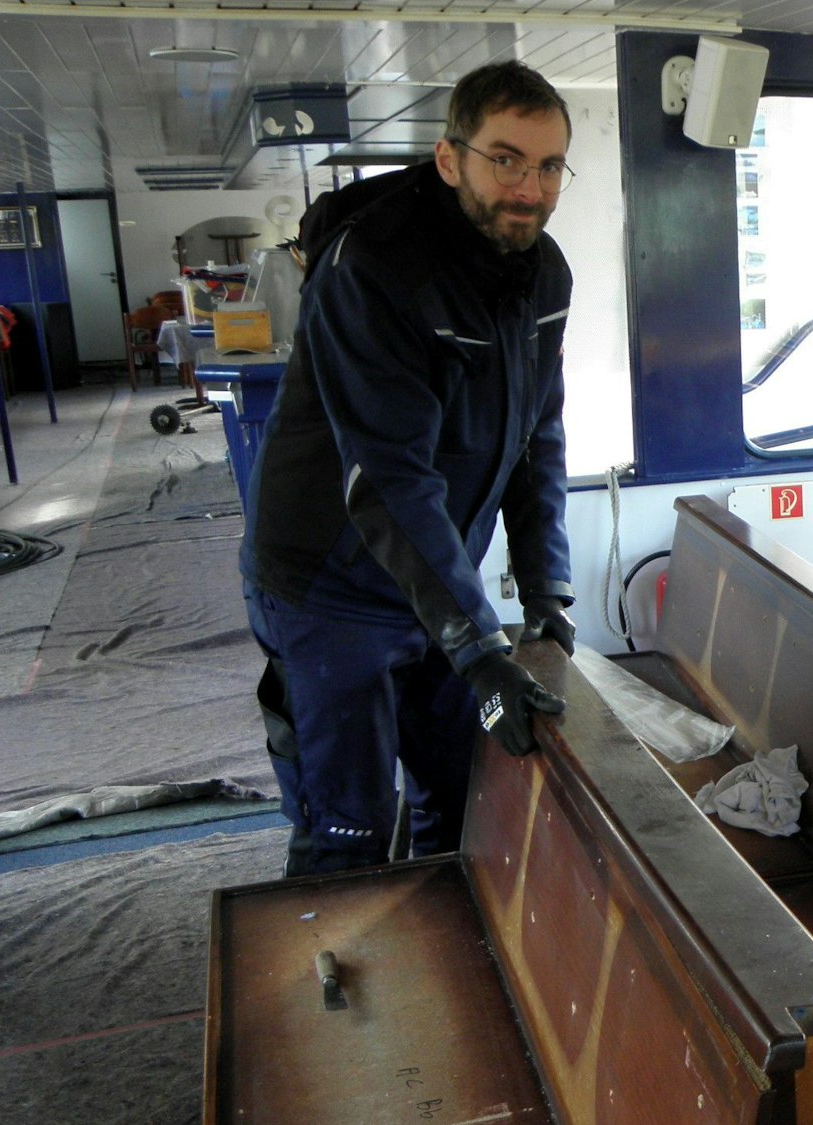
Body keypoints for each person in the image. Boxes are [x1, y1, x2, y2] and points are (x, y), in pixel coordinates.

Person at [240, 60, 580, 876]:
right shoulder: (374, 268)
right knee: (349, 829)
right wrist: (479, 643)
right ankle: (331, 988)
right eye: (505, 159)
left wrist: (548, 595)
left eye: (548, 165)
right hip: (331, 587)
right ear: (450, 157)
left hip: (436, 577)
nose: (527, 188)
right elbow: (389, 479)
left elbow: (538, 441)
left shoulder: (544, 274)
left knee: (461, 802)